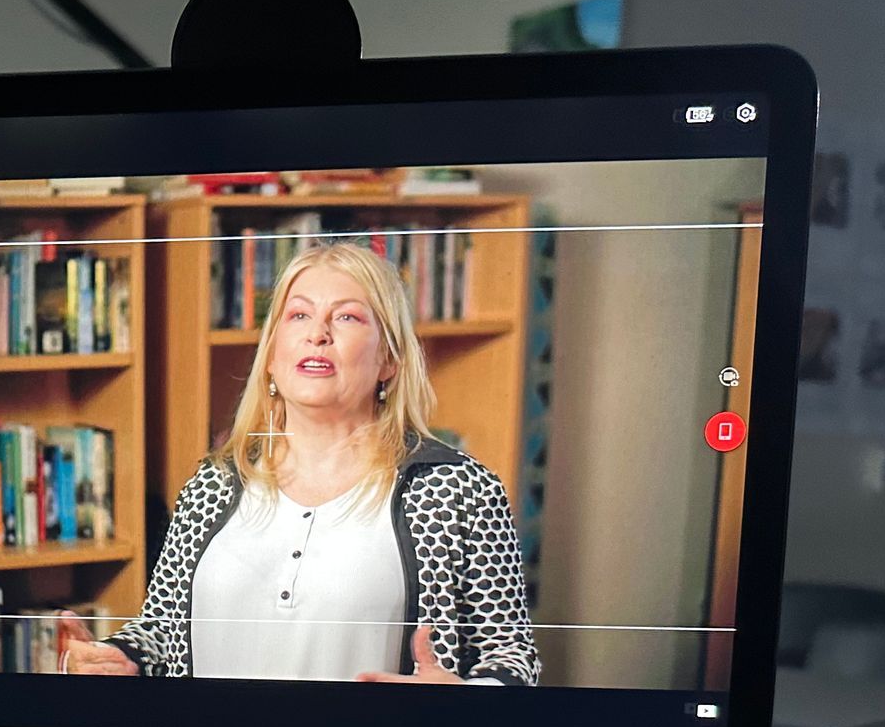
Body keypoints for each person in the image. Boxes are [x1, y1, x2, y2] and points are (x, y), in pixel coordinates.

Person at [62, 241, 539, 685]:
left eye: (348, 318)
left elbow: (513, 656)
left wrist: (466, 697)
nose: (318, 334)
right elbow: (162, 630)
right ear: (271, 356)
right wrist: (118, 654)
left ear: (389, 360)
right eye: (298, 315)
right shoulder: (214, 482)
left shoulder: (458, 490)